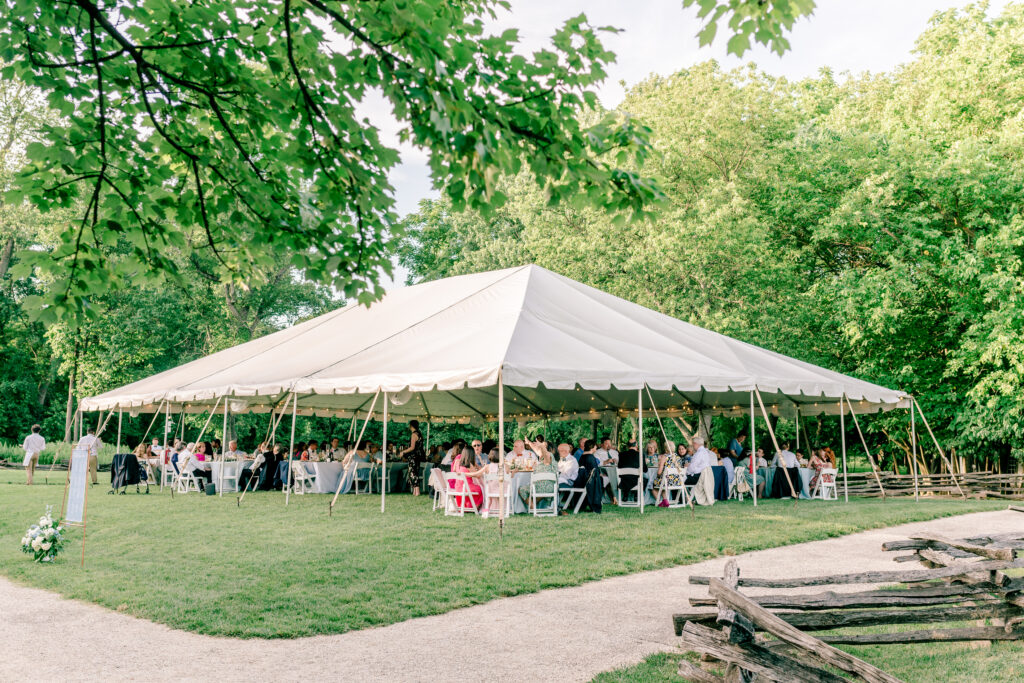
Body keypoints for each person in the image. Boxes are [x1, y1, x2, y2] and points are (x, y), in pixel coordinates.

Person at [398, 420, 425, 496]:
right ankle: (415, 491)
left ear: (411, 426)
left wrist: (403, 452)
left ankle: (417, 491)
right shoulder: (419, 434)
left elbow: (412, 447)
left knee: (412, 473)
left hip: (413, 456)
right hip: (418, 456)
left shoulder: (413, 435)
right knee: (415, 472)